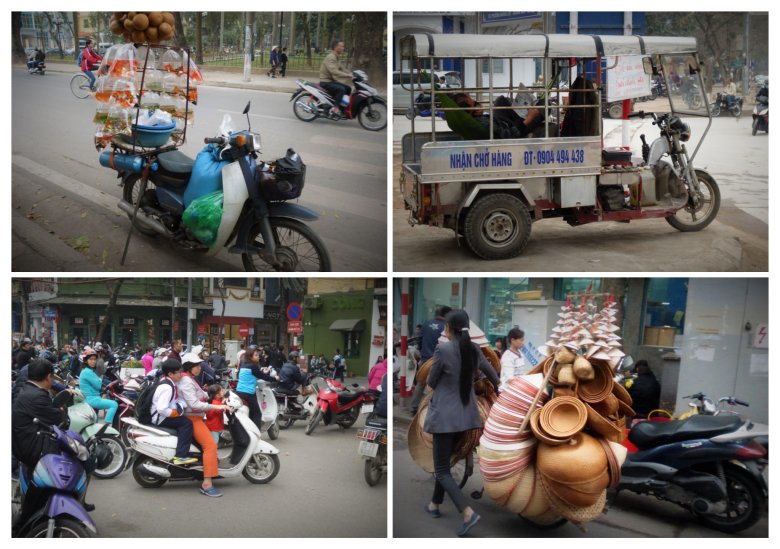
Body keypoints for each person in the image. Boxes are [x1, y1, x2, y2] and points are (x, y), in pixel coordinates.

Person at [423, 309, 499, 537]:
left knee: (442, 469)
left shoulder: (443, 349)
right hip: (468, 418)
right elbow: (494, 377)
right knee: (445, 461)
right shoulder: (474, 350)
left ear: (448, 328)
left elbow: (431, 381)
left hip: (445, 417)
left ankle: (467, 512)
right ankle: (435, 504)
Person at [178, 353, 232, 497]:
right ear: (188, 367)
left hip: (197, 417)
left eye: (198, 365)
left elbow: (203, 394)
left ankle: (206, 469)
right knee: (211, 446)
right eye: (195, 366)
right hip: (193, 418)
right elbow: (194, 404)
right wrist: (217, 407)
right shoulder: (186, 381)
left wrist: (219, 396)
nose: (199, 368)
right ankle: (207, 484)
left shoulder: (190, 379)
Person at [150, 359, 197, 467]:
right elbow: (162, 409)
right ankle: (180, 456)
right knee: (186, 423)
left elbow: (171, 401)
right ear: (170, 374)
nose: (181, 374)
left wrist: (181, 404)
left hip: (160, 415)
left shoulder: (167, 381)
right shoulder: (167, 387)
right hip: (159, 417)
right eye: (179, 372)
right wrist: (176, 413)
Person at [410, 306, 452, 415]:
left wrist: (422, 350)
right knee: (436, 385)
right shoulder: (446, 327)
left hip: (425, 360)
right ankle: (429, 409)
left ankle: (414, 407)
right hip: (438, 360)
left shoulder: (427, 323)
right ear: (446, 315)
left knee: (421, 383)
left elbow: (419, 339)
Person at [236, 345, 275, 430]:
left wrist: (261, 372)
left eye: (258, 355)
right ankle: (257, 434)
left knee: (250, 412)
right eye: (256, 355)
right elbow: (264, 377)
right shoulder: (252, 366)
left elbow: (252, 374)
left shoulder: (244, 365)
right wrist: (275, 379)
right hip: (249, 394)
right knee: (257, 414)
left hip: (239, 392)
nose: (258, 357)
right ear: (250, 356)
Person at [78, 348, 118, 425]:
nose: (93, 361)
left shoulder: (87, 370)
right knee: (114, 404)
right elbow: (98, 385)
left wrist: (98, 379)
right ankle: (107, 425)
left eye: (94, 359)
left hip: (92, 398)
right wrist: (99, 379)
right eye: (91, 359)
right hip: (92, 399)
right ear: (86, 360)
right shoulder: (87, 372)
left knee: (94, 424)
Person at [319, 39, 354, 118]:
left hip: (331, 81)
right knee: (341, 89)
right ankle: (336, 108)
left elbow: (342, 68)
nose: (343, 48)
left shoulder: (337, 57)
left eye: (343, 46)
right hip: (326, 82)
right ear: (335, 47)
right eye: (341, 46)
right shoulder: (331, 57)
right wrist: (347, 76)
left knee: (348, 88)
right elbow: (334, 71)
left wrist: (351, 73)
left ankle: (341, 107)